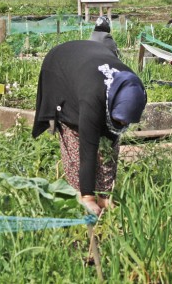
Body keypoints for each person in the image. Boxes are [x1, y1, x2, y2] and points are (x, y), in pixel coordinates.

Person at [32, 40, 147, 216]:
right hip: (61, 68)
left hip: (89, 61)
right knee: (76, 137)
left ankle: (105, 196)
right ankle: (79, 195)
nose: (123, 125)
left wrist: (105, 194)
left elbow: (112, 138)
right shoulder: (91, 97)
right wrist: (88, 197)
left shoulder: (134, 89)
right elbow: (88, 147)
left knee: (108, 143)